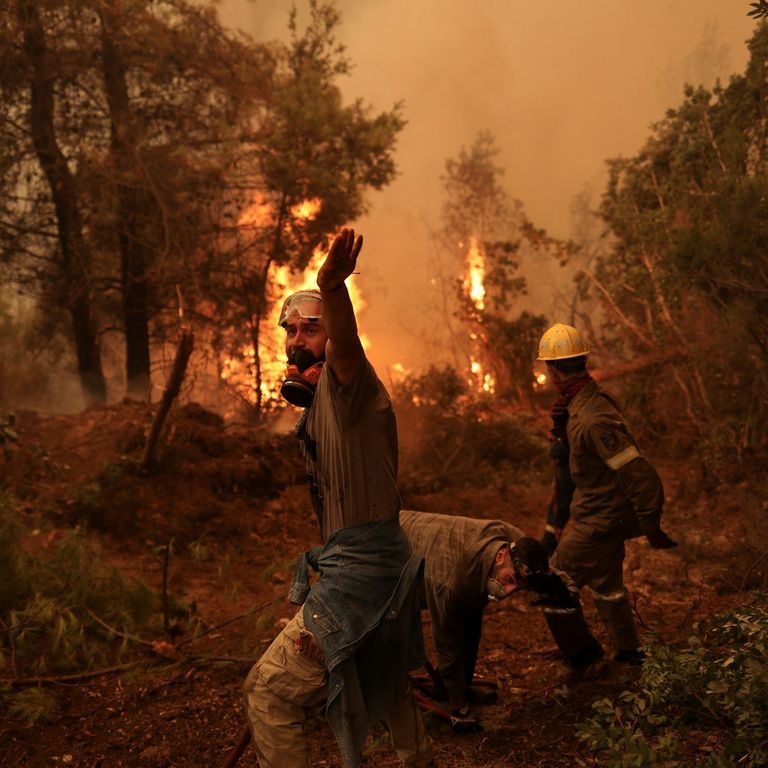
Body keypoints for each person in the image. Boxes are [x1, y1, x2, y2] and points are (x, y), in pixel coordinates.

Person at [243, 229, 433, 768]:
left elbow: (346, 347)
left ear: (331, 337)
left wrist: (332, 288)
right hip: (371, 563)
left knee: (269, 692)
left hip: (363, 572)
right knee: (385, 678)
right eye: (291, 330)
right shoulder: (318, 405)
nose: (296, 341)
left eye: (311, 329)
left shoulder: (350, 385)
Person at [537, 323, 677, 663]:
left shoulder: (592, 417)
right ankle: (628, 652)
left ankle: (581, 656)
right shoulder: (580, 405)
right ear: (583, 361)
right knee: (606, 584)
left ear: (553, 370)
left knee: (554, 586)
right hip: (598, 513)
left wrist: (650, 523)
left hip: (601, 519)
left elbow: (636, 470)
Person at [399, 509, 600, 730]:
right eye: (510, 580)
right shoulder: (449, 582)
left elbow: (546, 570)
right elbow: (447, 643)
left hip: (445, 549)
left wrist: (566, 589)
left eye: (519, 587)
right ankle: (452, 699)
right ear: (500, 556)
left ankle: (459, 687)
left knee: (472, 620)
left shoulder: (512, 539)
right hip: (397, 548)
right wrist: (458, 705)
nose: (510, 591)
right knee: (451, 632)